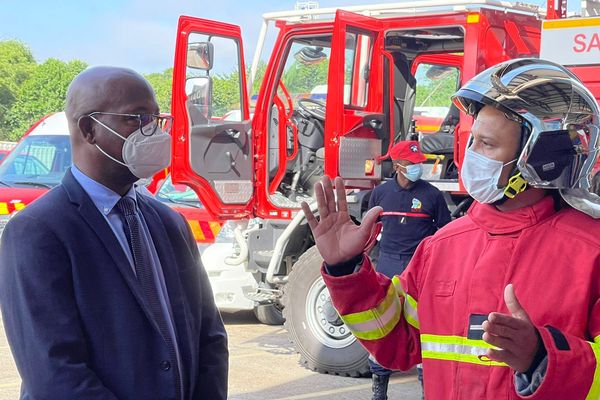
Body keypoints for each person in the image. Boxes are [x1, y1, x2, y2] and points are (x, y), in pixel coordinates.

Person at [301, 59, 600, 399]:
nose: (470, 156)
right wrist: (348, 270)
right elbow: (398, 342)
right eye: (472, 141)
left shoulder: (591, 252)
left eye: (487, 145)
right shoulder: (443, 245)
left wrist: (543, 359)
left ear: (539, 158)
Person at [0, 66, 228, 400]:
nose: (151, 131)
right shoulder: (38, 232)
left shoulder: (170, 224)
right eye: (136, 118)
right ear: (89, 129)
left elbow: (209, 337)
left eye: (155, 117)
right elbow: (55, 376)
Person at [367, 140, 451, 400]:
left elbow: (444, 232)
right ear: (398, 166)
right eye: (412, 164)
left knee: (421, 325)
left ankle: (427, 390)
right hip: (388, 264)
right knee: (384, 325)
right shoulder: (381, 194)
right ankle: (379, 388)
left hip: (420, 267)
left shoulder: (432, 195)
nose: (418, 167)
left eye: (419, 163)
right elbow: (370, 226)